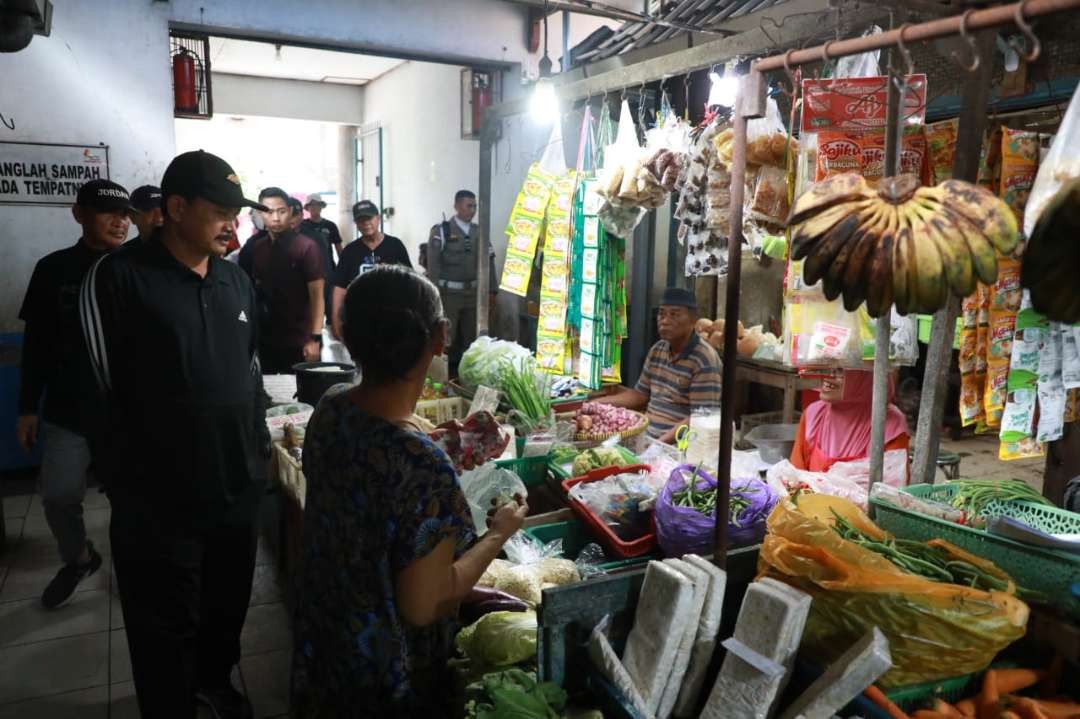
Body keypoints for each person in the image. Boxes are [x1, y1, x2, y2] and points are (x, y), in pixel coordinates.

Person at [80, 150, 270, 719]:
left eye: (237, 213)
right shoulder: (119, 278)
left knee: (225, 606)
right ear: (177, 208)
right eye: (220, 211)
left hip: (235, 486)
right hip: (159, 498)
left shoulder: (236, 282)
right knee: (164, 620)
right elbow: (97, 387)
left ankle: (214, 682)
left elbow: (251, 370)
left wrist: (255, 456)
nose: (232, 224)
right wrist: (127, 481)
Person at [291, 265, 528, 716]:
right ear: (439, 337)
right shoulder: (422, 466)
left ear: (347, 332)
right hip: (383, 674)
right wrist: (499, 533)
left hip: (325, 631)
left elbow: (371, 476)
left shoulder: (332, 405)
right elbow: (425, 605)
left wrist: (436, 440)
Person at [15, 179, 130, 609]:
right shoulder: (53, 269)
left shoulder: (139, 268)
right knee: (59, 494)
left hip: (126, 414)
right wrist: (27, 408)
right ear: (78, 213)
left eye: (125, 216)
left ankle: (135, 569)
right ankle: (79, 557)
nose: (120, 223)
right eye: (107, 212)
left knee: (133, 499)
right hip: (69, 408)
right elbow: (38, 344)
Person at [600, 288, 722, 443]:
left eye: (674, 314)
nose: (664, 320)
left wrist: (658, 445)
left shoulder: (704, 360)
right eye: (661, 314)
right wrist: (596, 404)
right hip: (646, 435)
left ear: (693, 320)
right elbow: (639, 395)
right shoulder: (658, 349)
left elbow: (700, 418)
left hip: (677, 447)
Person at [240, 187, 325, 373]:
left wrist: (315, 338)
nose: (276, 218)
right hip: (267, 339)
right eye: (268, 212)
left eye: (282, 211)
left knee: (301, 395)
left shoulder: (307, 247)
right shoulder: (257, 248)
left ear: (291, 211)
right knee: (269, 393)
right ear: (260, 214)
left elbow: (317, 296)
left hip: (301, 340)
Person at [426, 189, 498, 373]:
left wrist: (492, 291)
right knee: (446, 338)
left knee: (472, 341)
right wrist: (434, 295)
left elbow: (489, 261)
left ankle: (466, 379)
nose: (472, 210)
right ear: (457, 206)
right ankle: (442, 379)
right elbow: (433, 265)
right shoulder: (442, 231)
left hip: (473, 295)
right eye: (468, 206)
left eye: (474, 206)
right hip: (448, 295)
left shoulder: (479, 231)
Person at [790, 369, 910, 472]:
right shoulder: (814, 414)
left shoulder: (890, 424)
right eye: (826, 368)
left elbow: (892, 489)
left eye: (840, 371)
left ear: (865, 376)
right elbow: (794, 478)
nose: (827, 376)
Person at [331, 200, 411, 338]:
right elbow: (340, 288)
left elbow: (410, 281)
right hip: (359, 318)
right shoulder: (350, 251)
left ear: (378, 218)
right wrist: (335, 320)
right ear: (356, 224)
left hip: (392, 316)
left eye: (369, 218)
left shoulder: (395, 246)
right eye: (361, 220)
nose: (366, 223)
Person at [300, 193, 340, 324]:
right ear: (307, 208)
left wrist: (342, 269)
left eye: (317, 205)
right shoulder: (302, 226)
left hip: (328, 271)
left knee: (331, 307)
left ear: (321, 207)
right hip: (307, 271)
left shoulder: (330, 226)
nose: (314, 208)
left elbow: (339, 248)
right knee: (310, 309)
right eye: (312, 206)